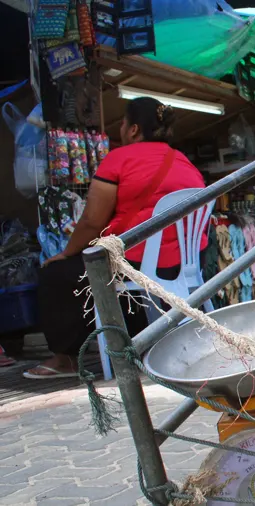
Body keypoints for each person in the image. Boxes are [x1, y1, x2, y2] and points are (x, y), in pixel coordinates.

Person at [25, 97, 208, 379]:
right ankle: (138, 344)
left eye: (122, 123)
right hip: (182, 267)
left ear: (133, 129)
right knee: (102, 271)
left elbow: (91, 221)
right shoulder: (185, 163)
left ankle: (66, 360)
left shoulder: (120, 158)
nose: (121, 129)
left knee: (57, 273)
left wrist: (67, 252)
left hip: (132, 266)